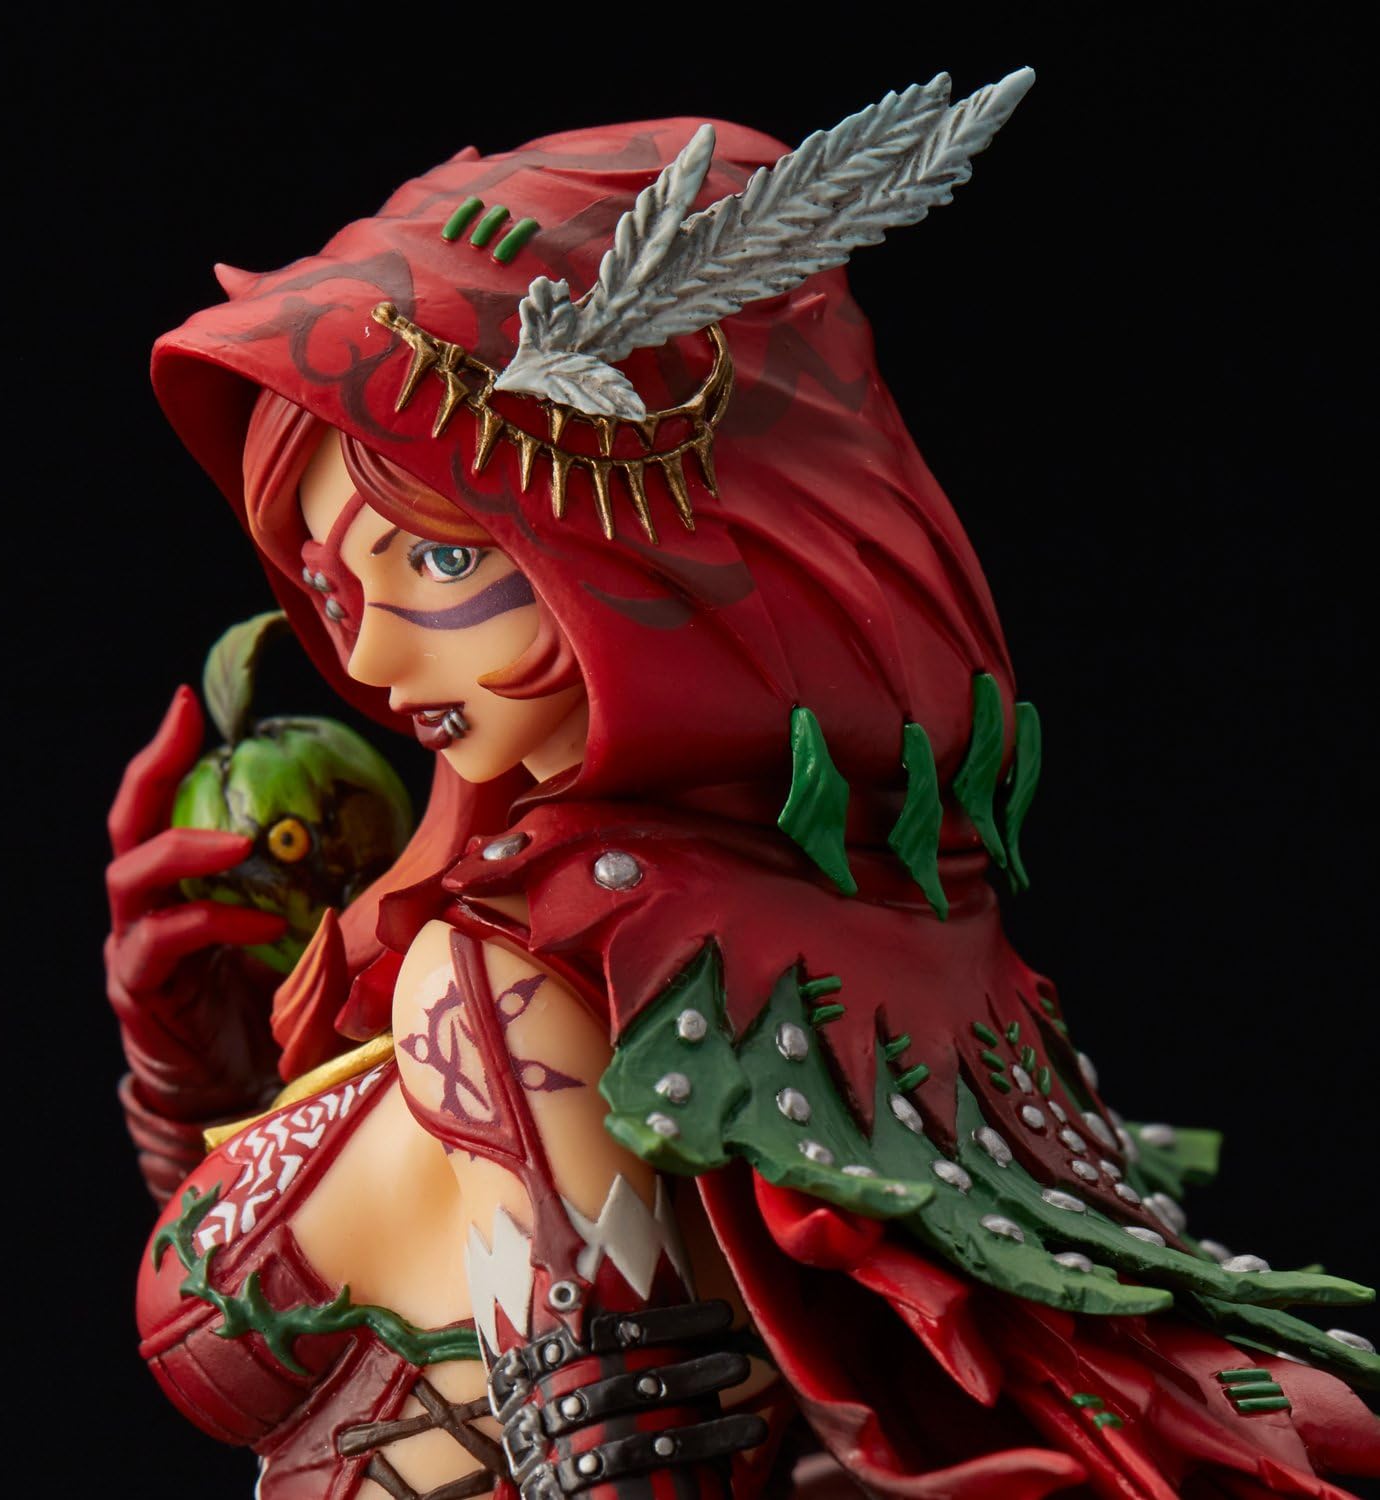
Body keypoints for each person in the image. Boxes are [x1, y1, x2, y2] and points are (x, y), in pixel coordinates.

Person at [112, 80, 1379, 1500]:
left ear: (627, 535)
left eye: (446, 558)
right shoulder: (869, 927)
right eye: (337, 580)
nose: (366, 653)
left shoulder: (506, 974)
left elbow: (615, 1454)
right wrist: (211, 1087)